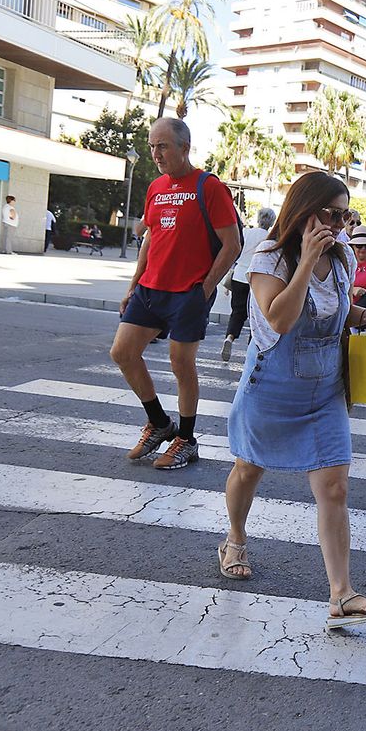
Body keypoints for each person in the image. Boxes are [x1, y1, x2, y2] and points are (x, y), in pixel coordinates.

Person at [221, 172, 366, 631]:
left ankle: (341, 594)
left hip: (325, 388)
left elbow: (339, 312)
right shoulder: (270, 258)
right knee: (248, 468)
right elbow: (282, 318)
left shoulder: (344, 256)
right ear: (304, 210)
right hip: (272, 384)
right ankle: (235, 537)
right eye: (330, 214)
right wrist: (307, 257)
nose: (338, 224)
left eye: (344, 215)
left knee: (335, 486)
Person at [110, 117, 242, 470]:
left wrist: (206, 287)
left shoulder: (209, 186)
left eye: (163, 146)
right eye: (152, 146)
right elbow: (150, 237)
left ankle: (186, 438)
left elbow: (233, 244)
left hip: (188, 292)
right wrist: (133, 284)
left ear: (184, 147)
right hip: (151, 288)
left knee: (181, 364)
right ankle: (158, 422)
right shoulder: (155, 188)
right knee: (123, 352)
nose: (156, 153)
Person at [220, 207, 276, 363]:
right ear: (271, 221)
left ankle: (230, 338)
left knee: (237, 312)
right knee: (256, 315)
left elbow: (235, 252)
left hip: (238, 276)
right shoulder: (270, 238)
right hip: (257, 279)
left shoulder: (245, 233)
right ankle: (253, 346)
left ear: (258, 218)